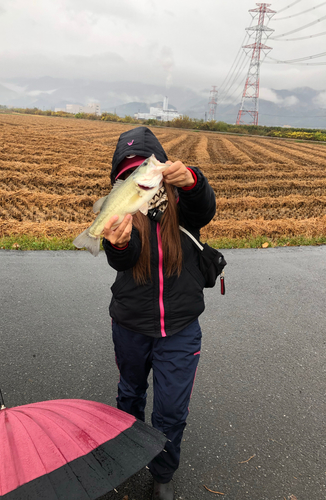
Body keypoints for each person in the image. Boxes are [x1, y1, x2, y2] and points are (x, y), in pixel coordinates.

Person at [102, 126, 216, 500]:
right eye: (129, 172)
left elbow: (205, 207)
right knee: (129, 396)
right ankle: (126, 453)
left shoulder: (181, 203)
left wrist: (193, 181)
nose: (140, 175)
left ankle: (162, 473)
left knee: (171, 409)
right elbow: (125, 259)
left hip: (181, 327)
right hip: (131, 323)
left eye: (147, 166)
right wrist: (115, 245)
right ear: (121, 179)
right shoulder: (124, 209)